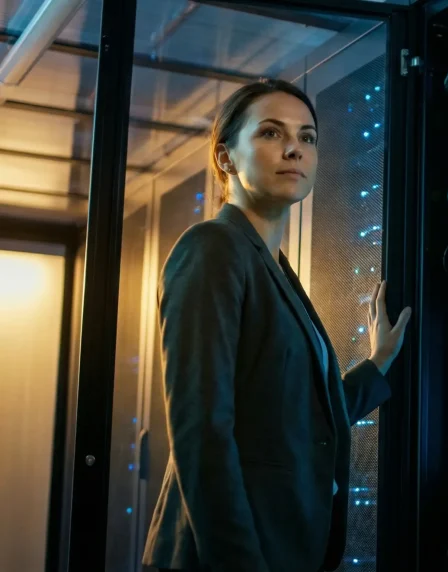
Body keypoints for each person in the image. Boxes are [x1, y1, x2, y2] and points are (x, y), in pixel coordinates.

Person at [141, 79, 411, 572]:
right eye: (270, 133)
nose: (294, 149)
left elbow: (292, 421)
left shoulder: (273, 266)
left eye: (307, 137)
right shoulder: (211, 248)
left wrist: (378, 363)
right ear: (226, 158)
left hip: (282, 547)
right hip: (228, 554)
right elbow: (202, 431)